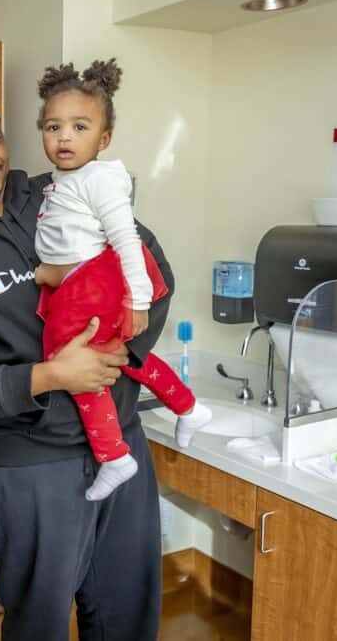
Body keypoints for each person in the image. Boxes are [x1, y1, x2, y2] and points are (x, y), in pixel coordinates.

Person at [0, 93, 169, 640]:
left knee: (128, 616)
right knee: (38, 626)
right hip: (30, 467)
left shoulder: (66, 191)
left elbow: (150, 269)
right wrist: (49, 377)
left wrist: (120, 352)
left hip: (120, 442)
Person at [33, 59, 212, 501]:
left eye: (79, 127)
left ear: (104, 138)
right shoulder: (64, 180)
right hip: (82, 283)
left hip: (91, 284)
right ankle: (187, 406)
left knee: (68, 357)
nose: (64, 137)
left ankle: (113, 455)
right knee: (116, 355)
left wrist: (138, 301)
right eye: (54, 127)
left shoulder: (99, 180)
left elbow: (127, 240)